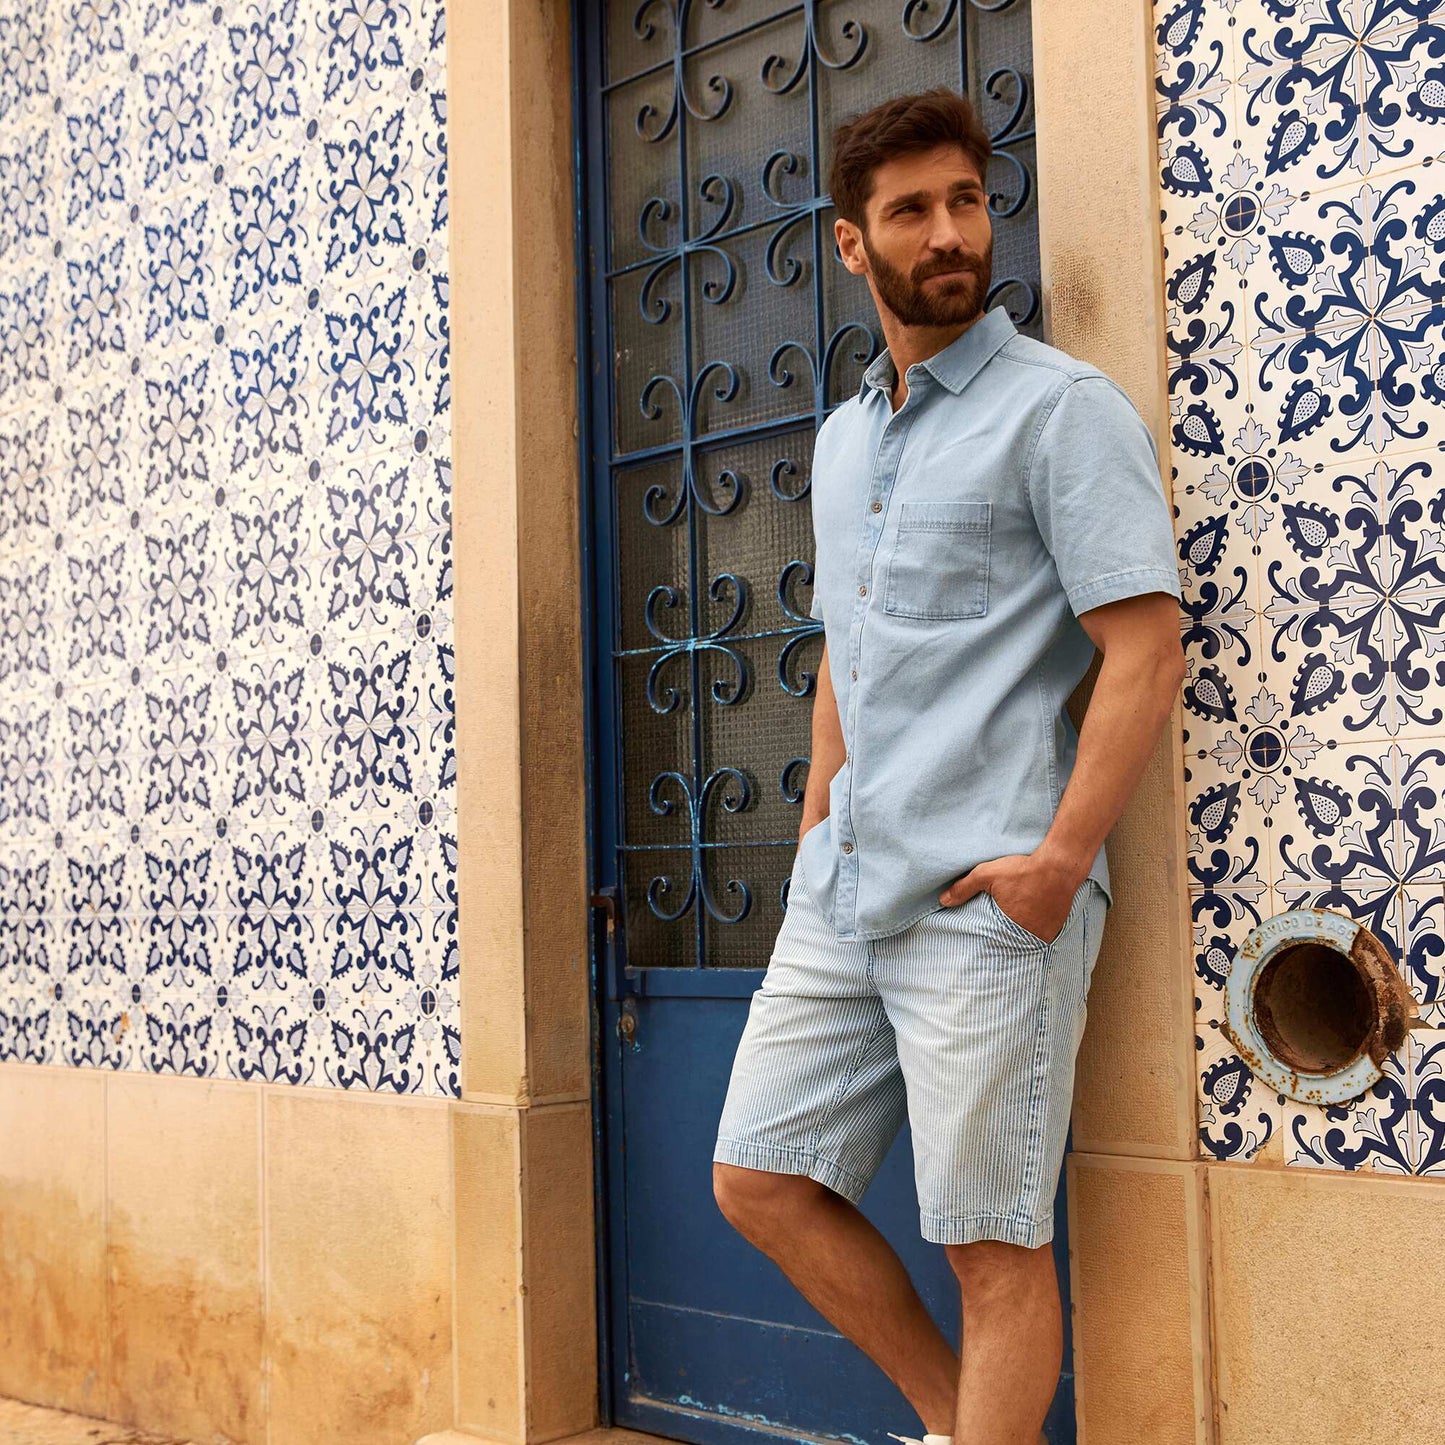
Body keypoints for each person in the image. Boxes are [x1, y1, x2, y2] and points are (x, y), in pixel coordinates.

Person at [710, 86, 1185, 1445]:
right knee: (757, 1178)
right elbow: (844, 655)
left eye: (966, 201)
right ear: (851, 243)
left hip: (989, 894)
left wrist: (1059, 865)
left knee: (990, 1242)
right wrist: (817, 828)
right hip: (846, 886)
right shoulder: (842, 437)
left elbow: (1144, 647)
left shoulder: (1060, 412)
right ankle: (951, 1422)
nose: (949, 235)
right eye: (911, 211)